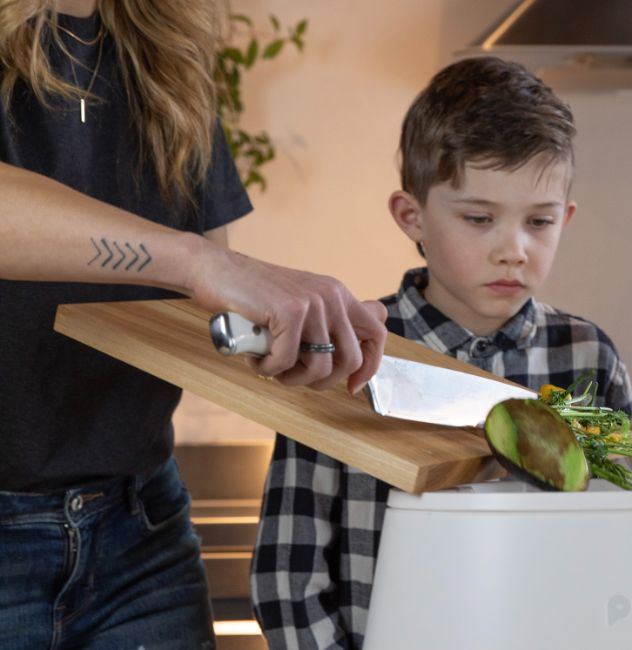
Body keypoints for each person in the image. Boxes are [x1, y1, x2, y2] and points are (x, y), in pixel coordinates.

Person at [0, 2, 386, 648]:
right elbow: (200, 262)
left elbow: (204, 313)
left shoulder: (168, 53)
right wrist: (198, 260)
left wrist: (290, 336)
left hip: (138, 533)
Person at [251, 56, 632, 649]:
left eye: (540, 221)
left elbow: (617, 549)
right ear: (412, 217)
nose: (514, 250)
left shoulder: (590, 360)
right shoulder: (343, 355)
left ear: (568, 218)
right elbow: (289, 577)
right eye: (480, 218)